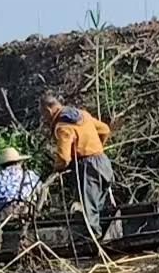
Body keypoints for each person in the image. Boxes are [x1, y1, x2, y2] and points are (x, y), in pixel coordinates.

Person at [43, 91, 116, 235]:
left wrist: (57, 168)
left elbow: (64, 158)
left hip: (88, 168)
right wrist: (96, 147)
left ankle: (94, 239)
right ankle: (106, 234)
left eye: (43, 114)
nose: (44, 118)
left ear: (48, 110)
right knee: (99, 206)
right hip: (103, 162)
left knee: (89, 210)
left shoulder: (63, 127)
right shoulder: (83, 115)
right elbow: (105, 130)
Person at [0, 146, 43, 218]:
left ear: (2, 165)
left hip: (6, 216)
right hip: (27, 213)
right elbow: (42, 191)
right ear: (19, 162)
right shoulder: (31, 175)